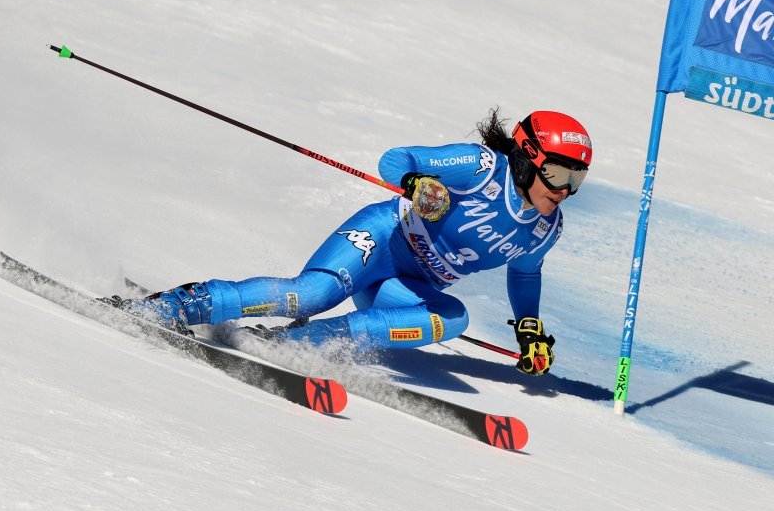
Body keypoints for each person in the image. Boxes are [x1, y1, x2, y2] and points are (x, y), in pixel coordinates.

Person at [111, 109, 592, 376]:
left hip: (404, 284)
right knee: (313, 294)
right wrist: (414, 183)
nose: (564, 189)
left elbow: (526, 271)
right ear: (528, 159)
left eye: (577, 179)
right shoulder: (482, 168)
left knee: (453, 319)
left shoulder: (546, 229)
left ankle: (297, 342)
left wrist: (528, 327)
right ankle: (180, 305)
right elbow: (395, 157)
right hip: (382, 240)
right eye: (557, 172)